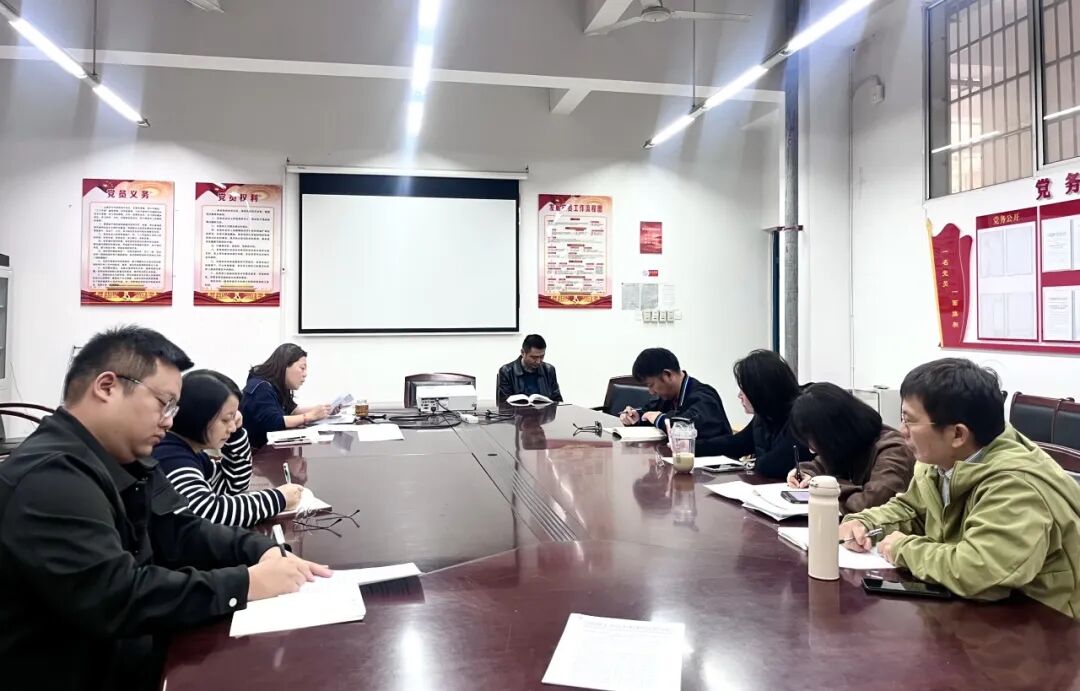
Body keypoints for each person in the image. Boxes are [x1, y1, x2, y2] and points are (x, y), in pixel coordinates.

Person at [0, 326, 331, 691]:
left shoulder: (126, 458)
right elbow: (118, 596)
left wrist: (260, 549)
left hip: (135, 657)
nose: (170, 420)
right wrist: (246, 583)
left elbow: (180, 528)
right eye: (164, 403)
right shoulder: (50, 477)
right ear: (107, 387)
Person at [840, 358, 1080, 618]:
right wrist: (866, 522)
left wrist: (904, 549)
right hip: (982, 615)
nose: (902, 431)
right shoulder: (941, 462)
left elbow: (981, 570)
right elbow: (912, 509)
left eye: (910, 421)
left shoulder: (1017, 487)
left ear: (957, 434)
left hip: (1047, 625)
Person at [153, 369, 305, 528]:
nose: (232, 427)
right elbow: (208, 514)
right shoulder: (170, 457)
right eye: (226, 420)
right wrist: (278, 499)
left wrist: (237, 433)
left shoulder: (193, 453)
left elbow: (233, 487)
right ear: (198, 417)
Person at [786, 382, 915, 513]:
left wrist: (826, 487)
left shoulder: (893, 450)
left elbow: (870, 504)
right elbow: (820, 465)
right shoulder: (850, 444)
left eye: (815, 442)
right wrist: (806, 472)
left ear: (835, 433)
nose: (812, 450)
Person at [695, 349, 810, 479]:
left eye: (744, 390)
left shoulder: (802, 416)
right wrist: (691, 448)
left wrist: (753, 464)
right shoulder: (765, 415)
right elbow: (736, 444)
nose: (739, 396)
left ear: (761, 390)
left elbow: (776, 464)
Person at [619, 347, 731, 438]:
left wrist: (660, 419)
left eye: (651, 385)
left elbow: (688, 425)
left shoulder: (704, 396)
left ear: (667, 375)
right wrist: (635, 416)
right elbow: (649, 412)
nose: (651, 392)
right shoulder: (667, 397)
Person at [241, 343, 330, 448]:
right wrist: (309, 417)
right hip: (258, 453)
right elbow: (274, 422)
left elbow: (293, 411)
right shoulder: (260, 387)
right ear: (285, 366)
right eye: (302, 368)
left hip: (272, 448)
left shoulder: (278, 385)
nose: (305, 374)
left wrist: (322, 410)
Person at [497, 333, 563, 402]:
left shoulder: (549, 370)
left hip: (544, 409)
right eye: (534, 357)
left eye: (542, 356)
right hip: (517, 409)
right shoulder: (506, 371)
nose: (538, 361)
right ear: (523, 353)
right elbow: (504, 404)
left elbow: (557, 401)